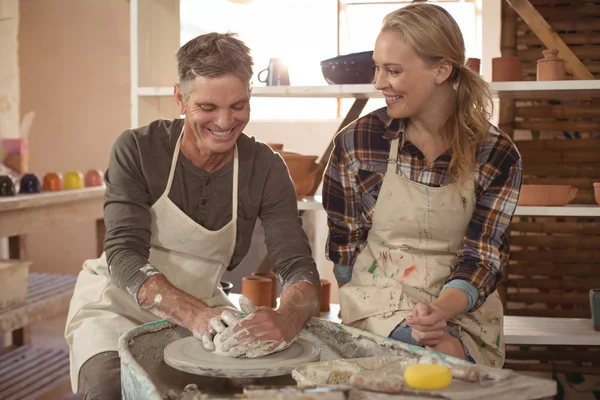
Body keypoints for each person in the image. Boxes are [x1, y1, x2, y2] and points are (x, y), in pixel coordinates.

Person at [65, 32, 321, 399]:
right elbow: (123, 254)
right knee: (111, 388)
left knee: (267, 388)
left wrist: (288, 317)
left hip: (206, 311)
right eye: (208, 107)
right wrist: (195, 316)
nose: (225, 121)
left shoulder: (265, 168)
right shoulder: (137, 149)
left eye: (238, 105)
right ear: (180, 99)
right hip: (115, 308)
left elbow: (297, 264)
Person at [322, 3, 522, 368]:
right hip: (379, 298)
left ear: (441, 70)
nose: (379, 82)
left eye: (393, 71)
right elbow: (345, 241)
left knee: (449, 363)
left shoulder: (496, 153)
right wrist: (356, 308)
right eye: (377, 68)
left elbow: (483, 255)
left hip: (464, 303)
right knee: (428, 361)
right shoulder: (360, 141)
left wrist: (439, 311)